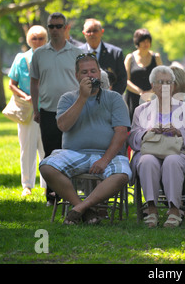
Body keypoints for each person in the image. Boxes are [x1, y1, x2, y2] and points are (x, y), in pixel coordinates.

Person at [39, 53, 131, 225]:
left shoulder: (114, 98)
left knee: (122, 174)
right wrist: (82, 97)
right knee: (47, 167)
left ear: (99, 73)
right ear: (77, 76)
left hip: (107, 154)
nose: (90, 75)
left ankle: (79, 209)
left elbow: (121, 133)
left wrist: (105, 160)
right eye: (84, 72)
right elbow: (63, 126)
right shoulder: (67, 98)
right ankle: (85, 209)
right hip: (75, 153)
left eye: (93, 71)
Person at [128, 66, 185, 228]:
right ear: (153, 85)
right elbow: (133, 138)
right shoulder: (141, 110)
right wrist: (148, 131)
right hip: (150, 150)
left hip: (180, 152)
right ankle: (152, 210)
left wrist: (179, 131)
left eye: (169, 82)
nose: (165, 86)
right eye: (160, 82)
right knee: (147, 160)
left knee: (172, 161)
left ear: (174, 86)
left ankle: (175, 210)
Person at [30, 12, 83, 204]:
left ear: (66, 28)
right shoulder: (39, 54)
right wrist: (36, 109)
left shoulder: (77, 53)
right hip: (48, 111)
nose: (54, 30)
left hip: (73, 110)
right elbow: (34, 83)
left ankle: (72, 194)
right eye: (51, 26)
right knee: (51, 154)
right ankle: (52, 196)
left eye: (59, 26)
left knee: (71, 151)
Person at [8, 25, 47, 196]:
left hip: (47, 108)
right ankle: (27, 185)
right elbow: (11, 84)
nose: (37, 41)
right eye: (34, 38)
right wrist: (25, 96)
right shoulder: (21, 58)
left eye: (41, 38)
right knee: (27, 148)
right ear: (28, 40)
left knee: (47, 148)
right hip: (28, 110)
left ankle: (48, 185)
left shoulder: (50, 57)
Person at [79, 19, 127, 94]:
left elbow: (122, 80)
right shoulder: (77, 53)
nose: (92, 34)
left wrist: (111, 97)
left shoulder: (115, 53)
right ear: (84, 33)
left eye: (95, 31)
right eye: (88, 31)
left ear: (102, 32)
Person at [124, 28, 163, 120]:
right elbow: (125, 80)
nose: (146, 44)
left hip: (153, 97)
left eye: (148, 41)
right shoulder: (130, 58)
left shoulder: (156, 57)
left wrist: (150, 92)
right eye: (143, 41)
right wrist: (140, 92)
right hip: (133, 98)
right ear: (137, 42)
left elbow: (162, 78)